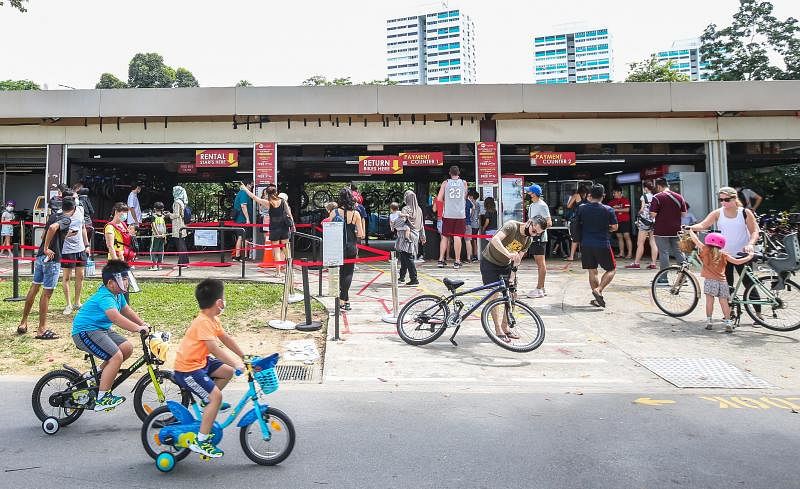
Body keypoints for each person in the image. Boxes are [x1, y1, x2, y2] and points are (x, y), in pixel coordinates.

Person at [173, 278, 245, 458]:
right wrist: (236, 363)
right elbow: (214, 348)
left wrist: (244, 356)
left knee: (227, 372)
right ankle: (202, 441)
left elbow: (226, 339)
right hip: (188, 369)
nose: (225, 300)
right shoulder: (203, 322)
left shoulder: (212, 319)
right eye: (224, 297)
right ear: (219, 302)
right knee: (217, 397)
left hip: (201, 362)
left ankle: (207, 401)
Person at [71, 260, 149, 411]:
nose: (126, 283)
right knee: (116, 357)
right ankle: (102, 397)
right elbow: (116, 318)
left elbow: (126, 311)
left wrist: (143, 323)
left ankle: (98, 377)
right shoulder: (105, 297)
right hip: (85, 332)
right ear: (110, 283)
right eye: (123, 279)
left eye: (127, 279)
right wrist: (137, 329)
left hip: (100, 330)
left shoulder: (117, 294)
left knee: (126, 348)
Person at [688, 186, 761, 318]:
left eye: (726, 199)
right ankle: (730, 312)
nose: (723, 202)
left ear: (735, 199)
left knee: (749, 283)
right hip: (723, 256)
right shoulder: (718, 213)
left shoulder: (744, 212)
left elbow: (755, 231)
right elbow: (704, 225)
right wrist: (690, 227)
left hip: (742, 254)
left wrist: (750, 244)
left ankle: (758, 314)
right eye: (721, 200)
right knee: (726, 285)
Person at [481, 216, 547, 342]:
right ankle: (497, 329)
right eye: (534, 231)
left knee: (512, 294)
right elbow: (495, 240)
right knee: (494, 294)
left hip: (506, 265)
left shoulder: (528, 240)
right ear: (529, 223)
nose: (534, 235)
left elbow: (518, 259)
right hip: (490, 262)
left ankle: (505, 327)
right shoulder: (512, 226)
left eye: (538, 234)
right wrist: (508, 254)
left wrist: (512, 276)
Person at [17, 197, 76, 339]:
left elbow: (46, 233)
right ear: (73, 209)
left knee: (34, 287)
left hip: (40, 258)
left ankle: (23, 322)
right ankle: (42, 329)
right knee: (47, 293)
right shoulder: (67, 219)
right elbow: (52, 228)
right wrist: (47, 248)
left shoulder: (54, 216)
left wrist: (65, 235)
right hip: (51, 259)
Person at [685, 230, 754, 333]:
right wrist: (749, 256)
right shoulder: (724, 254)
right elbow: (737, 262)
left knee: (709, 301)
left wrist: (690, 230)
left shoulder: (705, 250)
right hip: (722, 281)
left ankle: (709, 321)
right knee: (724, 302)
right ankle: (728, 322)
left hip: (710, 281)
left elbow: (696, 240)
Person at [575, 184, 618, 308]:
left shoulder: (582, 208)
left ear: (590, 195)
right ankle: (599, 290)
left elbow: (576, 223)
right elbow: (615, 227)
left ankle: (597, 297)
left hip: (586, 244)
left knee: (592, 271)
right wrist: (606, 227)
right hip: (602, 243)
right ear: (603, 196)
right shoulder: (608, 209)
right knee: (611, 269)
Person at [241, 184, 294, 275]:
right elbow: (289, 214)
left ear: (267, 193)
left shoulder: (268, 202)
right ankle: (290, 270)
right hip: (284, 227)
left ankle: (278, 272)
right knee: (286, 249)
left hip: (274, 228)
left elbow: (254, 197)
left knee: (276, 250)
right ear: (276, 192)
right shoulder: (283, 201)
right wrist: (293, 225)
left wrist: (245, 189)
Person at [329, 188, 365, 311]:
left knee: (341, 272)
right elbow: (361, 234)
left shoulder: (334, 212)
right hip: (351, 246)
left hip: (337, 246)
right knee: (348, 273)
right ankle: (343, 300)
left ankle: (344, 300)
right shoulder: (356, 214)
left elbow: (329, 230)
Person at [60, 193, 91, 315]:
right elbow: (55, 233)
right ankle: (68, 304)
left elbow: (83, 227)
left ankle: (77, 302)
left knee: (81, 275)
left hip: (80, 248)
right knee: (66, 277)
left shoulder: (80, 210)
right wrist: (67, 234)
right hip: (66, 249)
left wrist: (87, 245)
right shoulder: (59, 214)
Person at [650, 177, 688, 273]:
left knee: (664, 253)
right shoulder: (679, 197)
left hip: (661, 230)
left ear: (658, 186)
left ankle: (663, 278)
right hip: (676, 229)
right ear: (668, 185)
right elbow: (684, 214)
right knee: (679, 252)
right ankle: (684, 277)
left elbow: (653, 214)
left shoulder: (657, 197)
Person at [437, 165, 468, 269]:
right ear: (458, 173)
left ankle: (441, 260)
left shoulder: (445, 183)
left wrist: (448, 202)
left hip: (448, 214)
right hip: (460, 214)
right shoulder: (464, 183)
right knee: (457, 236)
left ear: (449, 173)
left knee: (445, 236)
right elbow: (464, 197)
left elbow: (439, 198)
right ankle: (457, 261)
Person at [525, 184, 552, 298]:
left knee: (541, 264)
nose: (527, 194)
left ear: (534, 194)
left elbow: (549, 223)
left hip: (540, 238)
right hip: (533, 237)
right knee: (538, 263)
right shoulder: (532, 205)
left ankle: (539, 288)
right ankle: (542, 287)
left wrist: (538, 231)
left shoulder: (542, 205)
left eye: (529, 192)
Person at [392, 190, 423, 286]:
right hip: (415, 235)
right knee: (404, 256)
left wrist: (394, 223)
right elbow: (422, 224)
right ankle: (402, 277)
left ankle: (414, 278)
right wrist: (422, 235)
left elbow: (401, 221)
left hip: (407, 236)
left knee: (408, 257)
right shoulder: (419, 209)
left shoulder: (406, 209)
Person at [626, 180, 658, 270]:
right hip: (654, 221)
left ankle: (636, 263)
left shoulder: (644, 196)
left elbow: (642, 209)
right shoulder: (655, 196)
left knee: (640, 243)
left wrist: (638, 213)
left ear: (645, 188)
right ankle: (653, 263)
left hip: (644, 222)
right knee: (653, 242)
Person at [166, 185, 190, 266]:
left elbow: (176, 214)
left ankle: (182, 263)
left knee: (180, 244)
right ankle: (184, 261)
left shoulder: (176, 202)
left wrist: (169, 214)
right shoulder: (182, 201)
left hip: (178, 225)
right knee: (182, 243)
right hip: (182, 224)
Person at [232, 181, 254, 261]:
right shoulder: (244, 193)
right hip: (242, 220)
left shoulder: (241, 193)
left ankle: (239, 255)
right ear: (247, 185)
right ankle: (241, 256)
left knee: (241, 237)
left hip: (240, 219)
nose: (252, 187)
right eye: (251, 185)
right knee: (243, 237)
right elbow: (243, 206)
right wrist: (247, 218)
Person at [608, 188, 633, 259]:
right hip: (616, 221)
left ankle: (630, 253)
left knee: (626, 236)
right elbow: (608, 209)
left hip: (625, 220)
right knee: (619, 237)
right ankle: (621, 253)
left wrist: (615, 209)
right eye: (613, 193)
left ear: (619, 192)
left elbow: (627, 210)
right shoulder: (612, 201)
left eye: (614, 193)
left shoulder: (625, 200)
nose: (613, 195)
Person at [566, 185, 589, 261]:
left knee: (575, 239)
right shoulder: (588, 198)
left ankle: (571, 256)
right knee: (584, 238)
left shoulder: (576, 195)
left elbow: (568, 206)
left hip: (576, 219)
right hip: (585, 220)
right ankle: (585, 255)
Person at [148, 201, 167, 271]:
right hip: (162, 235)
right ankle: (160, 265)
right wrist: (164, 235)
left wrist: (156, 233)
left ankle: (154, 265)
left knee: (153, 250)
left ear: (155, 208)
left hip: (156, 236)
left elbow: (153, 225)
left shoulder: (154, 216)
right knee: (161, 250)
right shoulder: (163, 216)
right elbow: (164, 226)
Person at [465, 189, 481, 261]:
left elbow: (472, 214)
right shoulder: (478, 204)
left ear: (471, 196)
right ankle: (475, 255)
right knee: (474, 240)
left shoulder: (472, 203)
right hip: (476, 224)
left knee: (472, 240)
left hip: (472, 224)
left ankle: (474, 255)